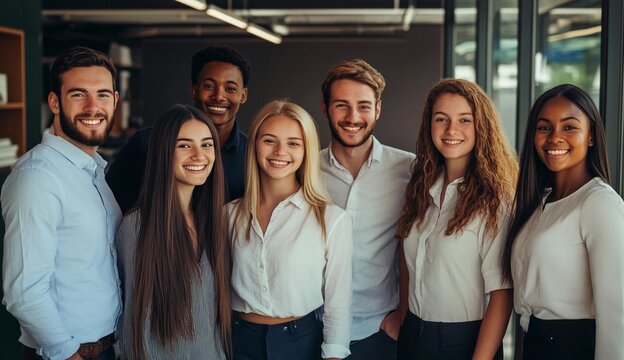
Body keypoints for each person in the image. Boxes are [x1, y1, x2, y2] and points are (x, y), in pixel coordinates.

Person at [2, 46, 122, 360]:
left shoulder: (93, 170)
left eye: (103, 95)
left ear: (116, 100)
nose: (93, 107)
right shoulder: (38, 178)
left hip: (106, 347)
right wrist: (68, 354)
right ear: (55, 102)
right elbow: (24, 292)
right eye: (79, 94)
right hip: (67, 353)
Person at [503, 84, 624, 359]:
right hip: (534, 342)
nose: (554, 138)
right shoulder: (541, 201)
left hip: (570, 348)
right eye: (544, 127)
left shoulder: (599, 203)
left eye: (569, 127)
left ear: (592, 136)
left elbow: (615, 316)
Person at [395, 79, 516, 359]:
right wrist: (403, 316)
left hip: (464, 342)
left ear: (481, 127)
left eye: (465, 120)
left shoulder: (494, 202)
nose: (451, 130)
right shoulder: (421, 188)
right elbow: (406, 255)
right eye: (441, 119)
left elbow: (502, 294)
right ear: (430, 125)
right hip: (413, 335)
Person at [227, 100, 352, 360]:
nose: (280, 151)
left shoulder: (332, 219)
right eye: (269, 140)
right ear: (255, 145)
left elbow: (338, 304)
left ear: (307, 150)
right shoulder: (227, 215)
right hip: (237, 341)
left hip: (301, 343)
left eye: (293, 143)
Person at [115, 104, 231, 359]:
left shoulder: (213, 221)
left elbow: (212, 325)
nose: (199, 155)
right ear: (163, 153)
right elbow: (136, 330)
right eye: (184, 145)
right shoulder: (138, 226)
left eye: (207, 144)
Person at [319, 59, 414, 359]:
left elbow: (419, 247)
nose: (353, 117)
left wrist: (403, 313)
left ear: (378, 109)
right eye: (342, 105)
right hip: (314, 328)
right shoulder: (305, 170)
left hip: (379, 332)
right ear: (325, 109)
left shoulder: (409, 170)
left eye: (363, 105)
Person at [107, 45, 250, 212]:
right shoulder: (146, 143)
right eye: (208, 86)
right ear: (194, 89)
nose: (218, 96)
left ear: (243, 95)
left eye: (230, 89)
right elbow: (111, 205)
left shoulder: (251, 154)